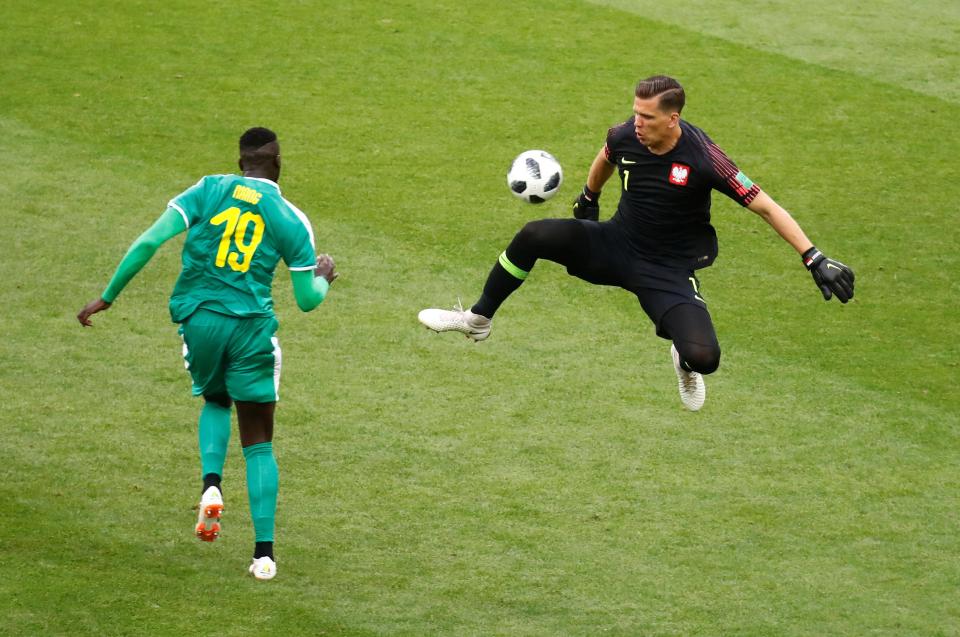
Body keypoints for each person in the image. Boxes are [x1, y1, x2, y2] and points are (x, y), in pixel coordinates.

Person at [418, 75, 854, 411]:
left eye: (647, 117)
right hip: (614, 244)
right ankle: (477, 320)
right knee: (535, 234)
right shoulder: (626, 134)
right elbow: (606, 156)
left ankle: (682, 362)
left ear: (673, 118)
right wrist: (589, 198)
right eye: (635, 113)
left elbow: (765, 206)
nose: (636, 123)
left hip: (665, 270)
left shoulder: (704, 158)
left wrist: (812, 256)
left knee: (705, 357)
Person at [77, 127, 337, 580]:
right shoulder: (290, 217)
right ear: (277, 162)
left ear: (241, 162)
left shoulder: (206, 189)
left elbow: (147, 243)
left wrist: (108, 296)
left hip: (198, 323)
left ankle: (212, 485)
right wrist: (324, 276)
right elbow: (307, 300)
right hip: (250, 331)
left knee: (215, 400)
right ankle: (263, 554)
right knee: (258, 442)